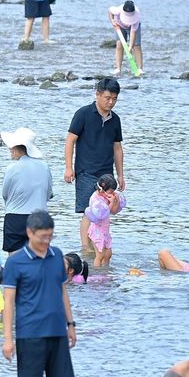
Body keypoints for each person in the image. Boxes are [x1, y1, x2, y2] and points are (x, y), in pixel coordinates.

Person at [1, 210, 75, 377]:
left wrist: (71, 324)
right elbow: (8, 302)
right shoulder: (16, 262)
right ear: (30, 233)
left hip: (57, 331)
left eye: (50, 236)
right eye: (42, 237)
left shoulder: (57, 256)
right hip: (30, 333)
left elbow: (62, 291)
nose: (46, 241)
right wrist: (7, 339)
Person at [65, 77, 125, 251]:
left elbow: (117, 148)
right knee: (89, 211)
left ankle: (98, 247)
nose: (111, 102)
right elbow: (70, 140)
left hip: (106, 174)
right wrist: (69, 168)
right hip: (85, 172)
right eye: (107, 98)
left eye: (114, 98)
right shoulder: (83, 114)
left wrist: (120, 175)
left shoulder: (115, 120)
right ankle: (86, 250)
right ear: (97, 94)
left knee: (103, 212)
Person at [0, 126, 53, 254]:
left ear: (16, 148)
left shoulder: (12, 168)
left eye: (12, 147)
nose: (10, 150)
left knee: (14, 259)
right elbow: (48, 195)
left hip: (15, 218)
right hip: (40, 218)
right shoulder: (44, 167)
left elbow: (5, 194)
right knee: (39, 257)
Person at [85, 175, 125, 268]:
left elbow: (113, 211)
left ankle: (105, 271)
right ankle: (97, 272)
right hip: (97, 231)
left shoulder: (107, 197)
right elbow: (102, 215)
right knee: (100, 255)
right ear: (102, 190)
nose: (112, 193)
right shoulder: (95, 199)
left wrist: (116, 201)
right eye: (110, 191)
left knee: (108, 254)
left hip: (105, 231)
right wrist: (111, 203)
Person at [108, 0, 142, 74]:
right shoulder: (117, 10)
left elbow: (133, 32)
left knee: (136, 45)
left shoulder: (136, 17)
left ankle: (140, 69)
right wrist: (112, 20)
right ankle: (118, 69)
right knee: (119, 45)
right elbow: (110, 11)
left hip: (133, 28)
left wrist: (130, 47)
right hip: (119, 26)